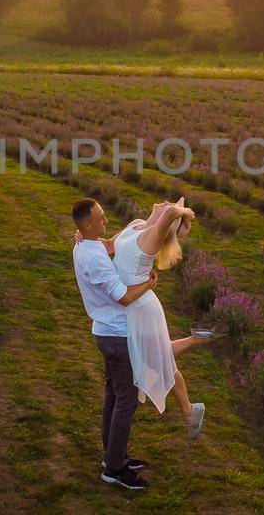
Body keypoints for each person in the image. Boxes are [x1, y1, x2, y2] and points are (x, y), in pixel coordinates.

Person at [71, 197, 208, 492]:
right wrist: (183, 212)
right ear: (87, 224)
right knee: (126, 400)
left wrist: (179, 215)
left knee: (115, 395)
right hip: (117, 331)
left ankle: (113, 457)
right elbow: (124, 294)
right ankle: (114, 468)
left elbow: (109, 242)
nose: (106, 220)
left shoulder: (87, 247)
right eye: (101, 217)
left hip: (114, 330)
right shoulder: (97, 248)